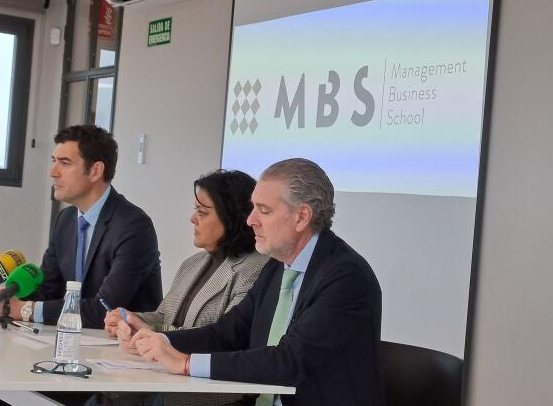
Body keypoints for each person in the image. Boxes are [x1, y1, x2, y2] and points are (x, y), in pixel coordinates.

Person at [120, 158, 385, 406]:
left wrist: (186, 363)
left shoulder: (345, 276)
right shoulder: (277, 267)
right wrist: (159, 341)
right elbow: (225, 334)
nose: (250, 220)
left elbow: (289, 361)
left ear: (302, 217)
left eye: (264, 211)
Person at [0, 124, 163, 406]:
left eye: (65, 163)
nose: (53, 172)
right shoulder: (67, 220)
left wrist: (25, 309)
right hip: (68, 348)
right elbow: (48, 288)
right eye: (54, 161)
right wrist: (8, 297)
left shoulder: (133, 225)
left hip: (116, 363)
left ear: (96, 170)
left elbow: (105, 308)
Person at [99, 169, 268, 405]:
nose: (192, 219)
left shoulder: (257, 268)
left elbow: (223, 338)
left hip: (207, 392)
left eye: (202, 212)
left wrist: (154, 333)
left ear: (232, 217)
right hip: (163, 377)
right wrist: (131, 319)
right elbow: (164, 315)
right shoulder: (193, 263)